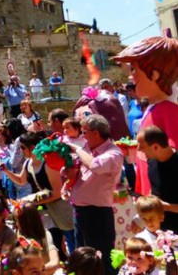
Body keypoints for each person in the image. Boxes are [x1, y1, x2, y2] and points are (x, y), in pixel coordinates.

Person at [114, 37, 178, 196]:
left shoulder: (168, 112)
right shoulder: (153, 109)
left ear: (155, 74)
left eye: (134, 70)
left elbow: (171, 161)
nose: (131, 77)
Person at [62, 114, 124, 275]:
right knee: (81, 258)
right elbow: (79, 172)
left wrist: (76, 148)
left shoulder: (114, 153)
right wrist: (68, 176)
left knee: (101, 260)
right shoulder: (87, 150)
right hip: (80, 211)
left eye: (84, 132)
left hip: (98, 214)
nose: (82, 136)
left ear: (96, 133)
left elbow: (95, 166)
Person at [3, 131, 74, 257]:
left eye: (22, 148)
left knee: (67, 242)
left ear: (32, 148)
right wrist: (6, 171)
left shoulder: (47, 164)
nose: (21, 151)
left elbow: (57, 192)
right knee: (49, 242)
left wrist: (31, 200)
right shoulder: (28, 163)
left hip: (59, 209)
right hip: (43, 210)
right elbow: (21, 180)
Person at [137, 126, 178, 232]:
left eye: (142, 147)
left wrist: (167, 207)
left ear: (155, 147)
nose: (138, 149)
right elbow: (154, 190)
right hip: (162, 233)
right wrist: (139, 217)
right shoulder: (152, 162)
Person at [14, 202, 61, 275]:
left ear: (27, 222)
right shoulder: (18, 235)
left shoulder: (45, 235)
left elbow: (54, 263)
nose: (16, 224)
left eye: (18, 221)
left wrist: (35, 271)